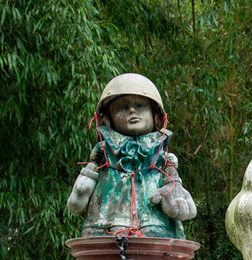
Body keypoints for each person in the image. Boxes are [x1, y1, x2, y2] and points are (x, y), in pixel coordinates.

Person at [66, 73, 197, 239]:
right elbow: (77, 200)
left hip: (156, 226)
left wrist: (175, 194)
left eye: (140, 105)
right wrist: (83, 185)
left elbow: (176, 189)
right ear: (108, 119)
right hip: (106, 221)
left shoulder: (162, 157)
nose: (132, 110)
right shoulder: (103, 152)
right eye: (122, 107)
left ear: (156, 116)